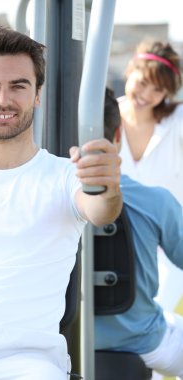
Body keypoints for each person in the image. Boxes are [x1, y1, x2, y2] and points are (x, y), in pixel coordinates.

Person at [0, 27, 122, 380]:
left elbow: (99, 210)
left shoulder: (65, 177)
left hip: (25, 362)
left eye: (18, 85)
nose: (3, 99)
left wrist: (107, 188)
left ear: (36, 95)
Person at [94, 87, 183, 379]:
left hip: (57, 338)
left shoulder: (34, 199)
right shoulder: (155, 202)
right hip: (142, 340)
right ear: (119, 136)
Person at [118, 39, 183, 328]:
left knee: (160, 321)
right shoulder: (101, 116)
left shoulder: (177, 121)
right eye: (143, 83)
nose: (146, 95)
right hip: (116, 242)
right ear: (129, 71)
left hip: (168, 245)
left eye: (159, 90)